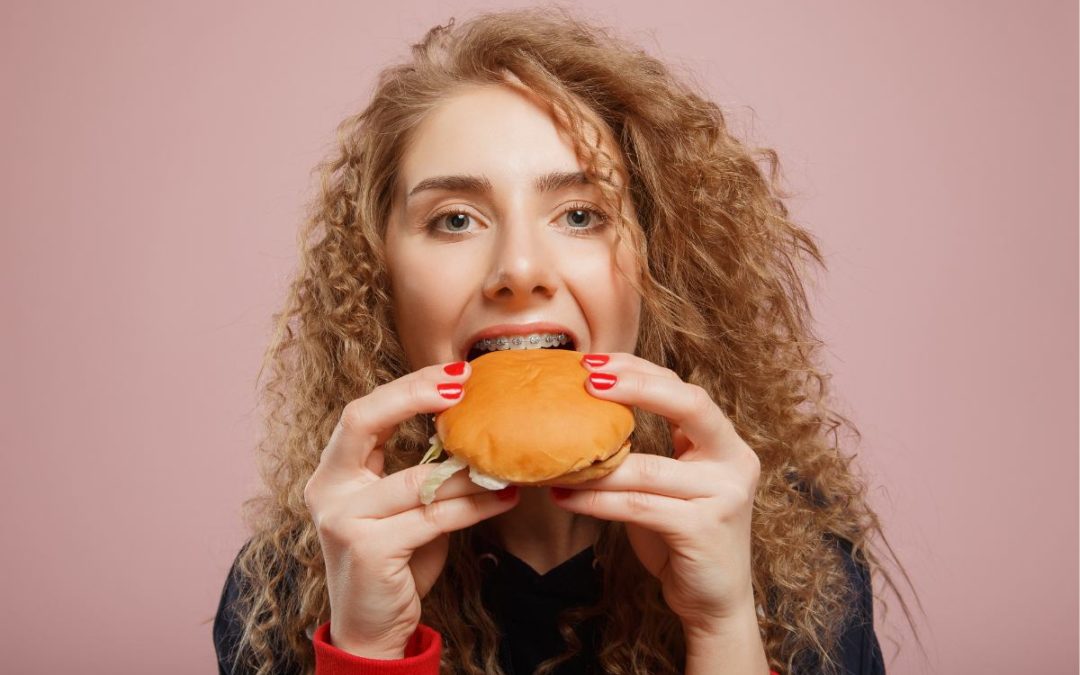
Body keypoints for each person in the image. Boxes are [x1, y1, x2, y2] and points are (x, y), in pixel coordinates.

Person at [214, 7, 921, 674]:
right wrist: (367, 646)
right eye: (455, 219)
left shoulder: (802, 563)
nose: (519, 269)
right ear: (379, 278)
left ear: (656, 264)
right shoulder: (288, 586)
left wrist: (723, 622)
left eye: (580, 213)